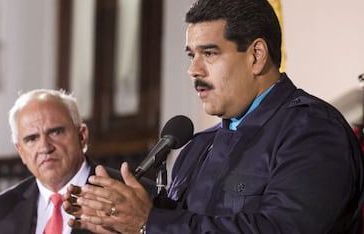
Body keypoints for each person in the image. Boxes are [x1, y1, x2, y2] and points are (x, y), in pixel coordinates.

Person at [63, 0, 364, 233]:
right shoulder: (197, 146)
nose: (194, 70)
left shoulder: (313, 133)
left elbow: (281, 229)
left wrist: (148, 224)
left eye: (209, 53)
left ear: (256, 56)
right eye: (191, 55)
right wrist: (117, 221)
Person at [0, 89, 154, 234]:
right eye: (32, 139)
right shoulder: (1, 209)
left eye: (56, 132)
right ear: (20, 151)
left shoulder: (135, 198)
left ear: (82, 136)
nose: (45, 147)